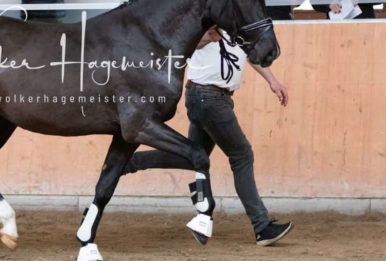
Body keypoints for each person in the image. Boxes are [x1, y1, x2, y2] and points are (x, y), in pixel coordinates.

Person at [122, 27, 294, 246]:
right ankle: (262, 226)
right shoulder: (209, 24)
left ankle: (131, 163)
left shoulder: (237, 26)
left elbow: (251, 55)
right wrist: (206, 36)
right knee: (242, 156)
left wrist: (273, 81)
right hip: (208, 97)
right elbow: (186, 44)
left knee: (193, 156)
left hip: (210, 97)